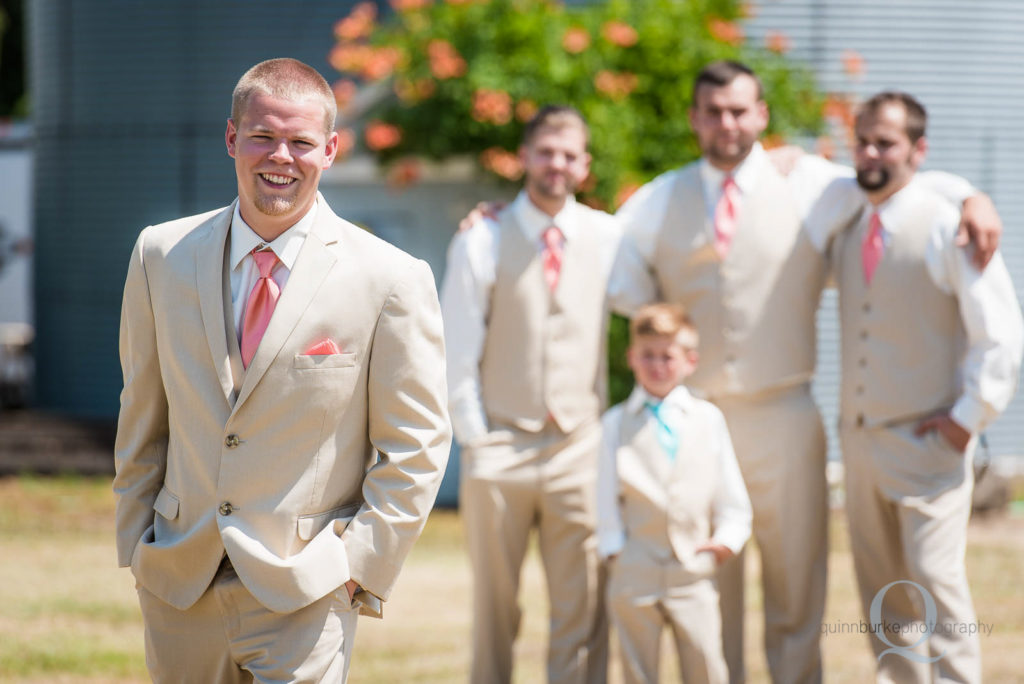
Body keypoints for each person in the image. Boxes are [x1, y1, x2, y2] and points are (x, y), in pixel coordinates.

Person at [607, 60, 1003, 684]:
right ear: (694, 119)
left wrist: (970, 197)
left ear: (762, 115)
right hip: (699, 421)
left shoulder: (811, 185)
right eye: (712, 112)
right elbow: (593, 256)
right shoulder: (657, 200)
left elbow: (893, 180)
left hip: (786, 414)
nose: (727, 123)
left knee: (797, 583)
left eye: (739, 110)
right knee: (712, 585)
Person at [113, 58, 451, 683]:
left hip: (308, 591)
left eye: (300, 142)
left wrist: (357, 567)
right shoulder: (160, 254)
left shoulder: (391, 279)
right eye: (264, 136)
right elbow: (142, 410)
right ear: (232, 139)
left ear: (329, 150)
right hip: (177, 583)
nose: (280, 157)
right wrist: (138, 544)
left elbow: (417, 445)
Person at [806, 91, 1022, 683]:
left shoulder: (950, 225)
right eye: (863, 140)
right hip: (861, 444)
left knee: (935, 584)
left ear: (918, 150)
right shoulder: (846, 214)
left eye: (887, 142)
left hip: (928, 442)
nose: (871, 153)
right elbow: (807, 179)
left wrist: (965, 420)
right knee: (885, 598)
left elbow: (1000, 334)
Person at [440, 105, 617, 684]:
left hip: (579, 446)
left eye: (569, 155)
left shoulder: (608, 235)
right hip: (502, 444)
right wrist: (477, 439)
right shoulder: (482, 238)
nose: (556, 164)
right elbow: (456, 348)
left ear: (585, 164)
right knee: (495, 608)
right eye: (545, 152)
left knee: (583, 606)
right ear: (525, 157)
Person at [597, 303, 752, 684]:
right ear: (632, 358)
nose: (657, 365)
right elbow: (603, 497)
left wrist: (726, 542)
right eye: (647, 355)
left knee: (706, 666)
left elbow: (734, 501)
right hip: (635, 567)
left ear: (689, 361)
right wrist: (615, 548)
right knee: (637, 670)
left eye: (667, 356)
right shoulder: (615, 423)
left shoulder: (708, 419)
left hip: (692, 570)